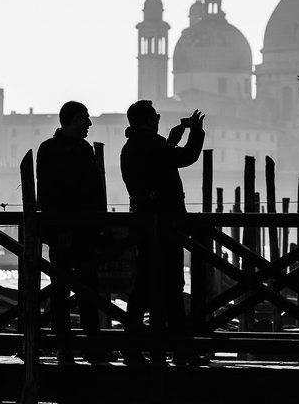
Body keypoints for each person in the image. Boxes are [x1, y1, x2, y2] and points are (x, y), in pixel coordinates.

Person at [120, 100, 208, 366]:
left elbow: (156, 167)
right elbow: (186, 157)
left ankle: (134, 349)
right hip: (164, 227)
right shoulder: (151, 145)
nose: (159, 119)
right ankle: (180, 351)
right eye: (156, 116)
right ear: (147, 121)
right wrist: (197, 132)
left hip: (146, 226)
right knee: (171, 288)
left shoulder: (132, 146)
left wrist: (171, 139)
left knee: (142, 289)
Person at [36, 100, 107, 364]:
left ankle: (91, 346)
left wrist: (99, 225)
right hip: (63, 235)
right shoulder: (50, 150)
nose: (89, 123)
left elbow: (94, 191)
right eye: (85, 118)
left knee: (88, 291)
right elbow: (48, 194)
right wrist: (61, 229)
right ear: (73, 120)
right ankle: (64, 347)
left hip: (86, 234)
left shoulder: (84, 149)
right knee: (62, 291)